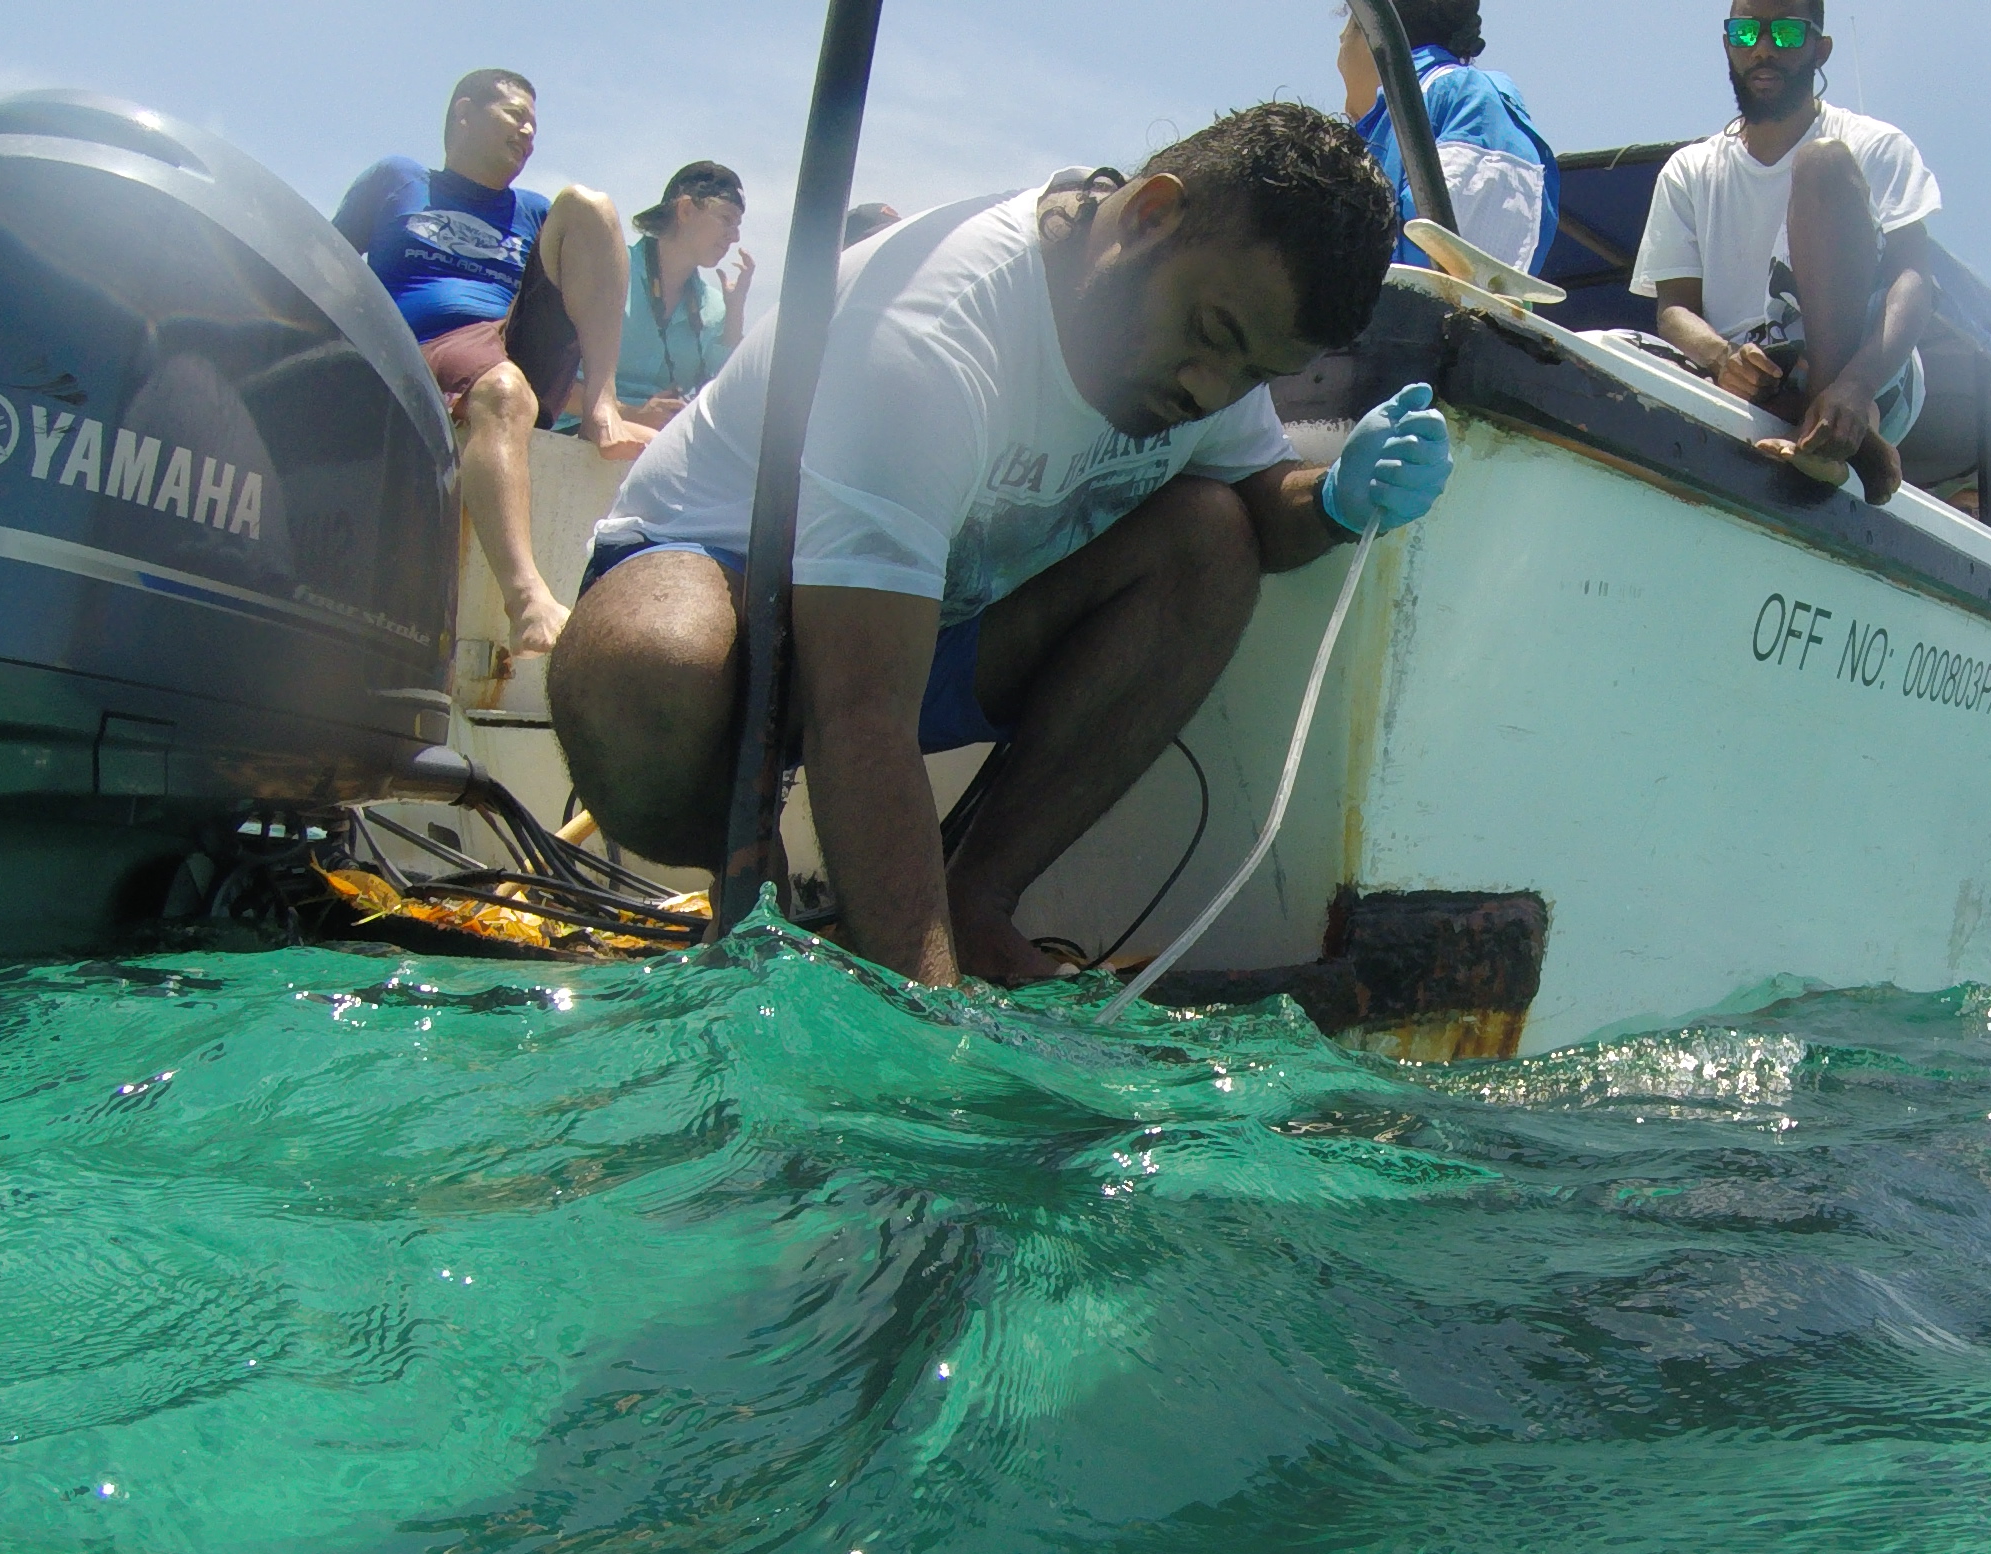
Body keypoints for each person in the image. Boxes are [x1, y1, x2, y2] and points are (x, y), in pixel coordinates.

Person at [549, 104, 1454, 988]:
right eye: (1213, 337)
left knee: (1210, 541)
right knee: (653, 670)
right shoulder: (934, 334)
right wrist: (933, 1037)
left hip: (926, 628)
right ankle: (756, 902)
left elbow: (1256, 497)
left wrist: (1331, 500)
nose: (1211, 390)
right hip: (723, 618)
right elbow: (860, 707)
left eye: (1254, 374)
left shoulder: (1209, 328)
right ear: (1149, 217)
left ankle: (977, 901)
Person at [332, 69, 656, 655]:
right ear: (463, 113)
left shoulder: (532, 211)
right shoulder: (398, 179)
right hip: (427, 342)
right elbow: (328, 262)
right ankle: (527, 600)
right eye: (515, 115)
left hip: (507, 339)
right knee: (503, 389)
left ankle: (600, 408)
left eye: (535, 123)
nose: (529, 132)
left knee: (589, 205)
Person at [1630, 0, 1939, 504]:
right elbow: (1673, 308)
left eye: (1787, 35)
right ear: (1728, 44)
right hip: (1759, 378)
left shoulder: (1875, 143)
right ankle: (1845, 442)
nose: (1763, 49)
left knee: (1823, 164)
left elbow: (1915, 278)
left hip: (1870, 372)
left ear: (1821, 49)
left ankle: (1837, 423)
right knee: (1614, 346)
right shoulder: (1687, 171)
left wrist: (1856, 387)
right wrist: (1723, 358)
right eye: (1746, 33)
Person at [1337, 0, 1558, 273]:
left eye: (1346, 31)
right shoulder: (1406, 117)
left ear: (1370, 29)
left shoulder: (1471, 100)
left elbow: (1463, 277)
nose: (1340, 41)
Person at [605, 161, 752, 430]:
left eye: (738, 225)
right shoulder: (608, 268)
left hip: (657, 443)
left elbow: (724, 406)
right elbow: (549, 382)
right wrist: (631, 414)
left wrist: (734, 316)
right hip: (577, 432)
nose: (735, 236)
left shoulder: (716, 308)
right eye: (726, 219)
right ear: (685, 210)